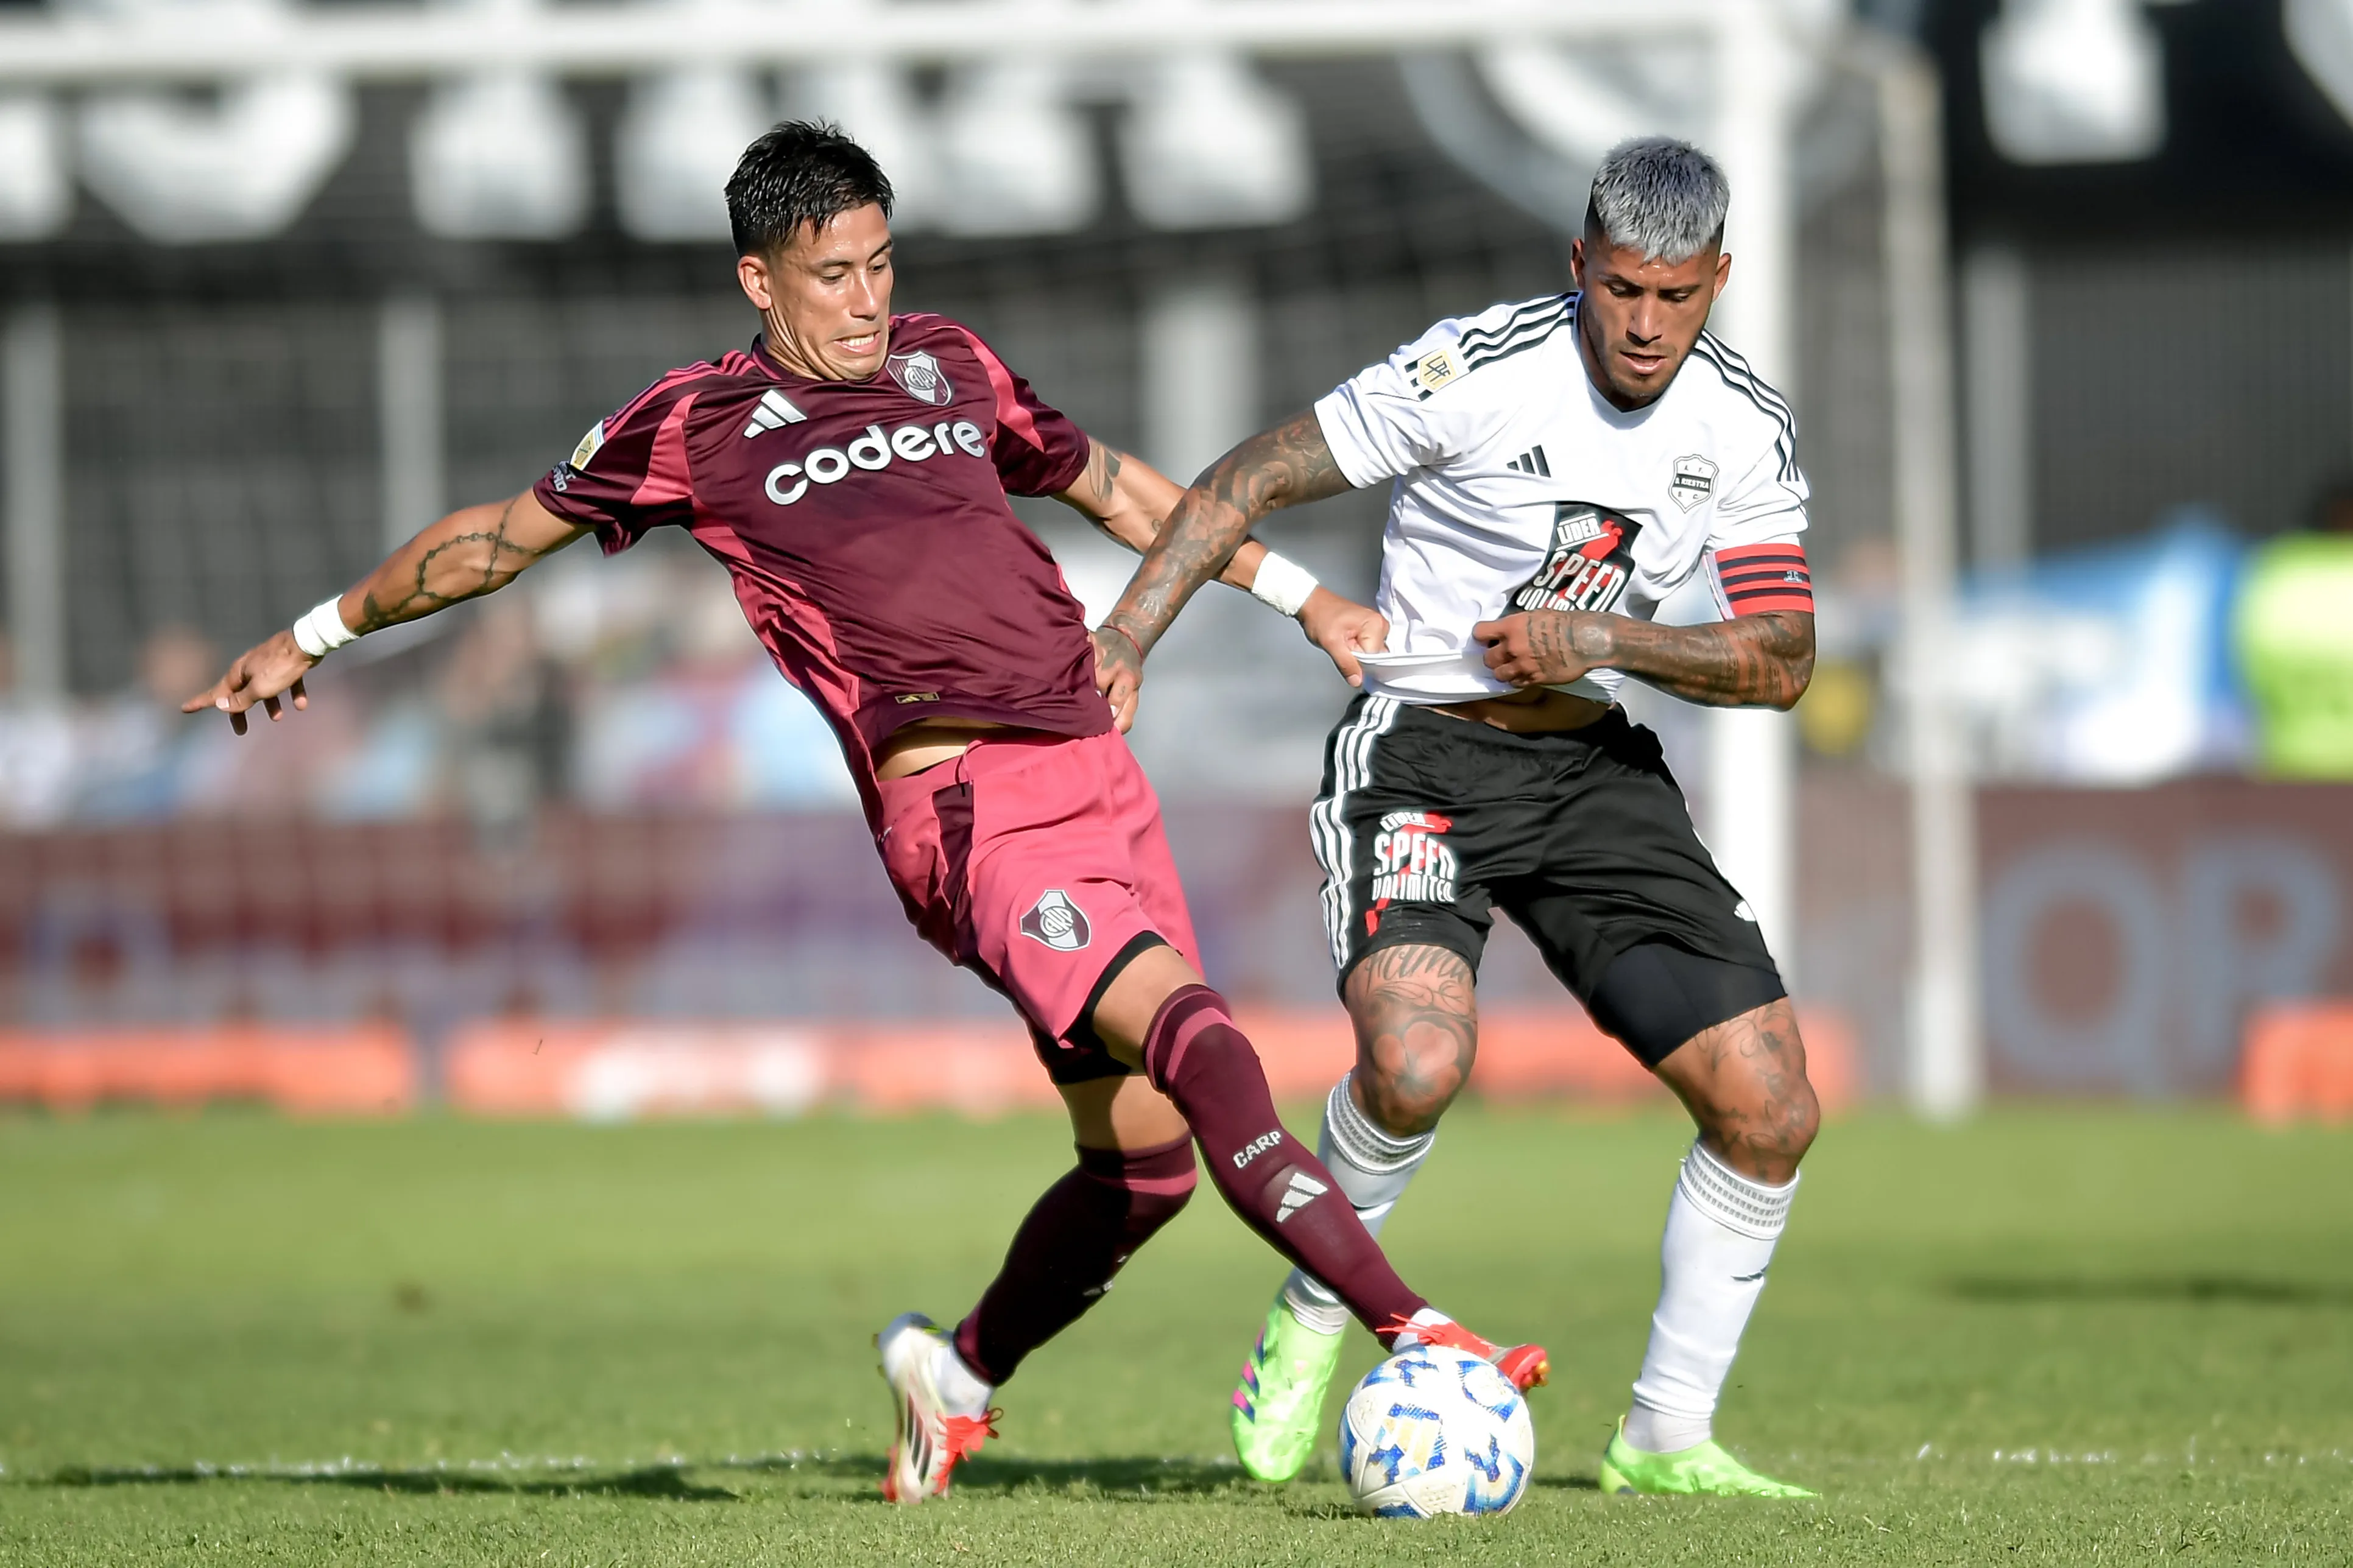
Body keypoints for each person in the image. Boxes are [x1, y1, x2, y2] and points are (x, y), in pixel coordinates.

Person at [182, 121, 1547, 1504]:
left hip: (1095, 774)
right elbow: (493, 541)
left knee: (1140, 1173)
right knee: (1204, 1047)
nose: (865, 298)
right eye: (830, 274)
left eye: (880, 263)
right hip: (967, 814)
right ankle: (1416, 1326)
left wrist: (1298, 593)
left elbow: (1121, 487)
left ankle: (948, 1382)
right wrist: (316, 631)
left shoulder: (950, 362)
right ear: (757, 284)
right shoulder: (694, 426)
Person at [1096, 136, 1822, 1498]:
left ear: (1718, 278)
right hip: (1420, 756)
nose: (1646, 323)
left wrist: (1603, 642)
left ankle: (1665, 1436)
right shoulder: (1474, 369)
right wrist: (1128, 634)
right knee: (1418, 1064)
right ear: (1578, 266)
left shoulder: (1742, 426)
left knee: (1770, 1107)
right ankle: (1316, 1314)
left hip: (1593, 770)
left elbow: (1782, 658)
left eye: (1676, 295)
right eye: (1620, 290)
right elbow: (1248, 474)